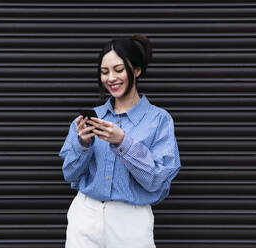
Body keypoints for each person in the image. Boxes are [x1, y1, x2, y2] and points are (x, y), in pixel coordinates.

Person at [58, 34, 181, 248]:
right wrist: (83, 145)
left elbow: (156, 181)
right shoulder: (91, 118)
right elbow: (69, 174)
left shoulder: (159, 120)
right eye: (104, 72)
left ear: (136, 70)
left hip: (131, 219)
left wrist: (123, 142)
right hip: (85, 213)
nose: (111, 78)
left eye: (118, 70)